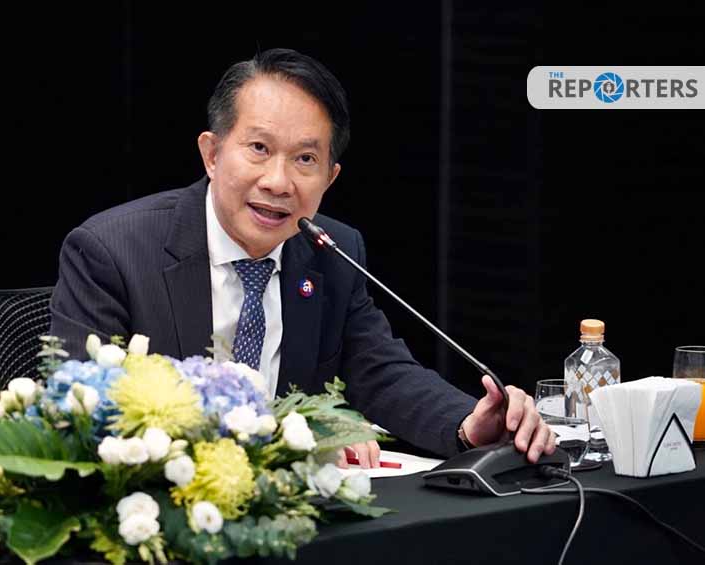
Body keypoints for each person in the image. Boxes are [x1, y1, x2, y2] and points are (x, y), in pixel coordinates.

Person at [50, 48, 554, 468]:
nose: (278, 181)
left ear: (330, 178)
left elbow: (381, 371)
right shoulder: (112, 251)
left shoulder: (331, 252)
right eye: (259, 148)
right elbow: (85, 414)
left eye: (305, 159)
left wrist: (467, 424)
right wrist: (295, 437)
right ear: (212, 153)